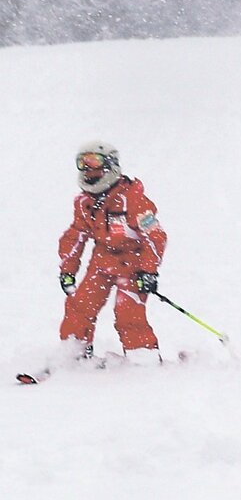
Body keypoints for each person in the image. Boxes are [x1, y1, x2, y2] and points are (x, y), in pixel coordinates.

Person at [58, 141, 167, 364]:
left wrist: (148, 271)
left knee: (128, 313)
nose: (89, 170)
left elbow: (155, 236)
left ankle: (142, 357)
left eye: (94, 163)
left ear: (110, 166)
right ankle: (73, 353)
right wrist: (67, 270)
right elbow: (75, 237)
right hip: (102, 262)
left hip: (133, 265)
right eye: (83, 164)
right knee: (79, 307)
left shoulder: (132, 200)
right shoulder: (84, 203)